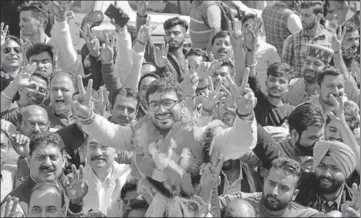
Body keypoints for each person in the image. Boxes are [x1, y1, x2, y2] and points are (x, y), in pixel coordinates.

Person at [72, 71, 258, 216]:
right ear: (147, 109)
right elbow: (112, 135)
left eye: (168, 103)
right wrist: (89, 116)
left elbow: (240, 144)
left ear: (182, 104)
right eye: (154, 104)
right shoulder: (141, 135)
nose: (161, 110)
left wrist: (244, 115)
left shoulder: (203, 137)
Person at [0, 132, 87, 217]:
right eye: (41, 157)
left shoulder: (73, 191)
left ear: (64, 161)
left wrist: (76, 204)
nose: (47, 163)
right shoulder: (14, 205)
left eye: (53, 157)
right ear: (29, 161)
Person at [218, 157, 329, 217]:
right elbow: (206, 205)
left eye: (284, 188)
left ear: (294, 194)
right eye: (271, 183)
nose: (275, 192)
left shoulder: (303, 215)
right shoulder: (244, 202)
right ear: (264, 181)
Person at [296, 140, 357, 213]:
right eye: (321, 166)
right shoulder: (298, 191)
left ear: (347, 173)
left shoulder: (354, 202)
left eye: (335, 168)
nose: (326, 174)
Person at [81, 137, 131, 216]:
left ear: (116, 150)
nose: (98, 153)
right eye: (92, 147)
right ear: (85, 151)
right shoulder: (75, 180)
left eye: (104, 147)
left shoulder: (129, 175)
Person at [282, 1, 334, 76]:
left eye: (306, 15)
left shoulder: (331, 39)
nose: (302, 19)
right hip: (300, 86)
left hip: (322, 86)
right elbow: (285, 69)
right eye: (301, 15)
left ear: (318, 17)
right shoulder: (292, 40)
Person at [241, 13, 281, 92]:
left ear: (260, 29)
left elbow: (278, 75)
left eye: (253, 26)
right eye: (246, 26)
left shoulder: (269, 50)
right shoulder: (235, 49)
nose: (249, 29)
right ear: (241, 29)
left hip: (261, 95)